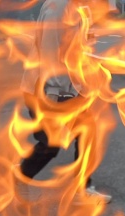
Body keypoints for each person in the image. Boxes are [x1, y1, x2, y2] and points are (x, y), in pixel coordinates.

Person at [19, 0, 110, 203]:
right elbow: (51, 58)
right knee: (50, 144)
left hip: (67, 88)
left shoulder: (77, 6)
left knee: (87, 132)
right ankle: (21, 175)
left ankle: (82, 189)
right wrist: (62, 95)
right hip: (48, 91)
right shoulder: (58, 9)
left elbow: (81, 47)